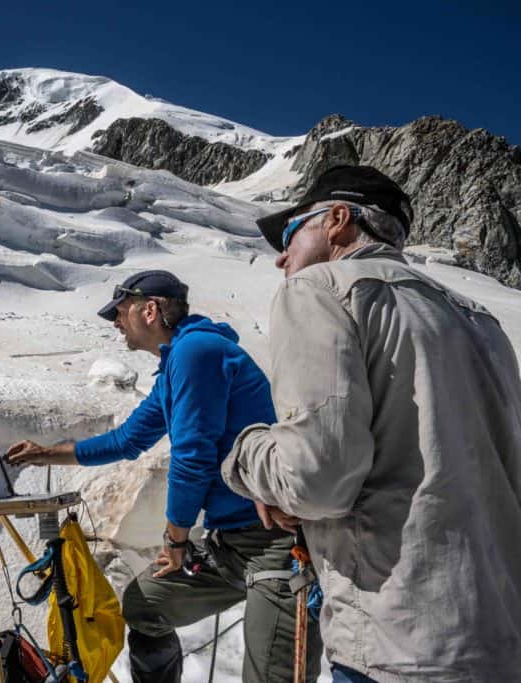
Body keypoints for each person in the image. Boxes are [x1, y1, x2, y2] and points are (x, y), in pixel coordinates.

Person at [222, 165, 521, 682]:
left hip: (401, 640)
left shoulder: (321, 289)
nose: (281, 256)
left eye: (291, 232)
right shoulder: (479, 318)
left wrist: (247, 455)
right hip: (500, 635)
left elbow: (316, 481)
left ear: (337, 220)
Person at [7, 270, 321, 682]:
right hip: (231, 544)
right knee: (145, 605)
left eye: (119, 313)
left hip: (274, 543)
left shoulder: (197, 353)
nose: (116, 324)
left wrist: (175, 539)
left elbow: (193, 456)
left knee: (272, 676)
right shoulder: (178, 362)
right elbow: (128, 439)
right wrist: (47, 454)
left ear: (150, 309)